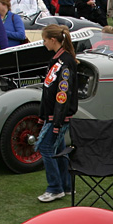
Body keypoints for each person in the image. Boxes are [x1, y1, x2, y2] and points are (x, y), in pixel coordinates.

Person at [35, 25, 76, 203]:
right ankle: (66, 185)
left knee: (46, 148)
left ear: (53, 40)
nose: (43, 43)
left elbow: (63, 95)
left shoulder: (65, 62)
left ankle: (55, 187)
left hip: (57, 116)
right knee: (58, 149)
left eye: (44, 40)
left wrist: (57, 121)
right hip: (53, 115)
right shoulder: (58, 60)